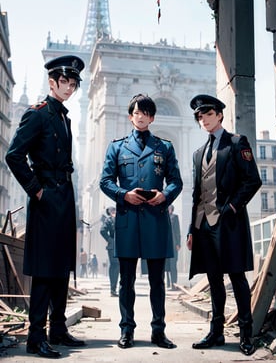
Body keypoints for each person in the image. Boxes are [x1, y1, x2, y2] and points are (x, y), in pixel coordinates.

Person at [5, 55, 86, 359]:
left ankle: (58, 329)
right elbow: (14, 155)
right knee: (43, 269)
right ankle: (35, 337)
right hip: (46, 197)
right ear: (52, 82)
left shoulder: (64, 117)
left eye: (73, 83)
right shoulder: (37, 114)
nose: (69, 87)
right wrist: (36, 191)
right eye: (64, 81)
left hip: (65, 196)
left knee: (62, 265)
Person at [100, 93, 183, 350]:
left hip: (156, 220)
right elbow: (105, 181)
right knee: (126, 280)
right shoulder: (116, 147)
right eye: (137, 112)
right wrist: (123, 195)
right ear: (131, 116)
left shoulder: (164, 147)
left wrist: (164, 195)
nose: (141, 117)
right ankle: (126, 330)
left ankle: (159, 331)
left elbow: (176, 181)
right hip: (127, 220)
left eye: (146, 113)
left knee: (157, 281)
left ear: (152, 117)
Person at [186, 94, 262, 356]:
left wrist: (231, 207)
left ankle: (245, 334)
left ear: (219, 115)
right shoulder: (198, 154)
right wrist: (191, 230)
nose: (203, 119)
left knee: (237, 278)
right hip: (204, 225)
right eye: (199, 116)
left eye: (207, 114)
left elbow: (253, 180)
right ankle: (216, 332)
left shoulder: (237, 143)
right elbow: (197, 194)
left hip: (229, 223)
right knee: (213, 279)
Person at [100, 206, 120, 296]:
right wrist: (110, 240)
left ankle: (117, 288)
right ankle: (113, 289)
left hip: (122, 245)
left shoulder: (120, 217)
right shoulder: (109, 220)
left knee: (119, 267)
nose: (114, 211)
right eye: (112, 210)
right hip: (113, 246)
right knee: (115, 266)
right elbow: (102, 230)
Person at [165, 205, 181, 290]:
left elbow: (177, 231)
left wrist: (178, 244)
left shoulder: (174, 217)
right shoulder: (164, 216)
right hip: (165, 245)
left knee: (173, 265)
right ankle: (168, 283)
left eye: (169, 209)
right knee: (166, 266)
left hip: (173, 245)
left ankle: (174, 284)